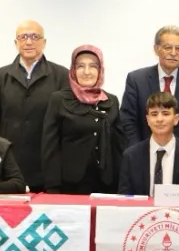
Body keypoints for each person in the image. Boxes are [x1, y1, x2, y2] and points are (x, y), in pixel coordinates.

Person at [0, 20, 69, 192]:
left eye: (35, 37)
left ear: (44, 42)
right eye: (23, 37)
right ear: (16, 43)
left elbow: (66, 126)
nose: (29, 42)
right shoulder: (1, 76)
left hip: (46, 167)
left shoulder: (61, 76)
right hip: (8, 166)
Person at [41, 45, 124, 194]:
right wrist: (52, 186)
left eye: (93, 66)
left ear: (100, 70)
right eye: (81, 66)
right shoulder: (59, 99)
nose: (87, 72)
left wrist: (122, 184)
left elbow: (118, 147)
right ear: (73, 70)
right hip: (69, 184)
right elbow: (50, 146)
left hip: (106, 184)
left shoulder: (111, 101)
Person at [121, 25, 179, 152]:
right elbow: (127, 121)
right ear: (156, 49)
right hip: (144, 154)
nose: (173, 53)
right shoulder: (136, 80)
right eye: (168, 47)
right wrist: (138, 153)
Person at [118, 92, 179, 196]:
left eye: (165, 113)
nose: (159, 119)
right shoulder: (131, 156)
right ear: (148, 120)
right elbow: (124, 198)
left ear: (176, 119)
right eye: (154, 114)